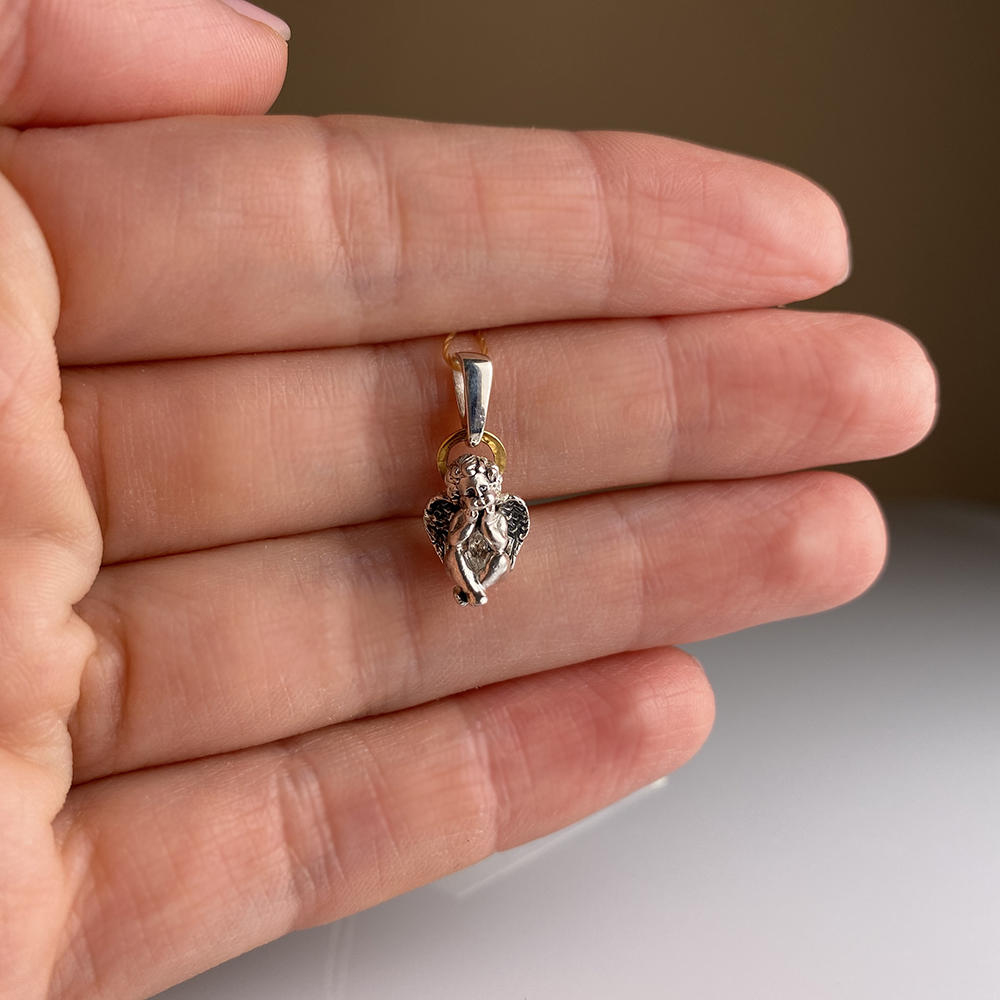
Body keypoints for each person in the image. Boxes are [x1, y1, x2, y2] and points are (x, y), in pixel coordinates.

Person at [0, 1, 936, 997]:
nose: (477, 482)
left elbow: (488, 512)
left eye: (479, 474)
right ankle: (475, 581)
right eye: (471, 475)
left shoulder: (486, 489)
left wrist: (482, 521)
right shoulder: (457, 488)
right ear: (465, 464)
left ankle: (478, 582)